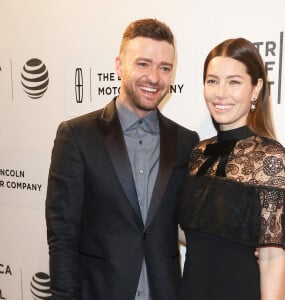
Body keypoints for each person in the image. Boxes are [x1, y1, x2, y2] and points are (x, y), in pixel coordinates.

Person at [45, 18, 199, 300]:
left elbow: (191, 222)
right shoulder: (77, 136)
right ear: (119, 66)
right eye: (143, 63)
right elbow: (63, 236)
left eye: (164, 68)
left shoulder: (186, 142)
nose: (154, 77)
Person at [178, 37, 285, 300]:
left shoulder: (271, 158)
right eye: (212, 81)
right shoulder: (198, 153)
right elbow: (192, 236)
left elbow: (273, 261)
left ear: (255, 89)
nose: (220, 92)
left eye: (234, 81)